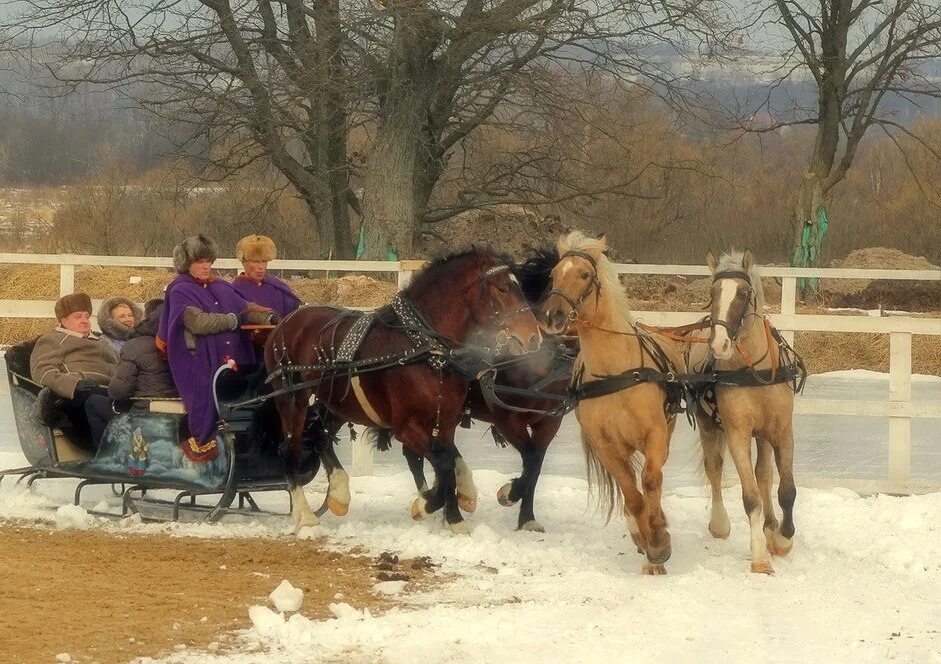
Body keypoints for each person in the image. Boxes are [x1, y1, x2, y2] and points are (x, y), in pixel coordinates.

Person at [157, 234, 277, 463]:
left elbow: (245, 307)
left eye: (208, 261)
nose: (206, 266)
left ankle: (252, 442)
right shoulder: (180, 289)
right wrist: (233, 321)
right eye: (200, 261)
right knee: (206, 396)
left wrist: (268, 316)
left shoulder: (220, 285)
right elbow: (198, 322)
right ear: (187, 263)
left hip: (230, 357)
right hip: (197, 361)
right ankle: (204, 445)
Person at [29, 292, 118, 447]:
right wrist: (74, 384)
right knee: (94, 400)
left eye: (86, 316)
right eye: (78, 316)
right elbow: (42, 370)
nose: (84, 320)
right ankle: (105, 452)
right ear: (64, 320)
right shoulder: (53, 339)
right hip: (78, 395)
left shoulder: (102, 342)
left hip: (112, 389)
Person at [84, 299, 178, 444]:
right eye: (122, 316)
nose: (128, 319)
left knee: (92, 401)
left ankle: (105, 455)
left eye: (130, 315)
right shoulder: (180, 342)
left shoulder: (134, 345)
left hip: (144, 412)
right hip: (177, 409)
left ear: (147, 319)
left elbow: (119, 391)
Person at [231, 234, 302, 319]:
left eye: (264, 261)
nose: (261, 266)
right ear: (245, 262)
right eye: (256, 261)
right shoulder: (235, 290)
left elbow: (295, 309)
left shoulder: (277, 286)